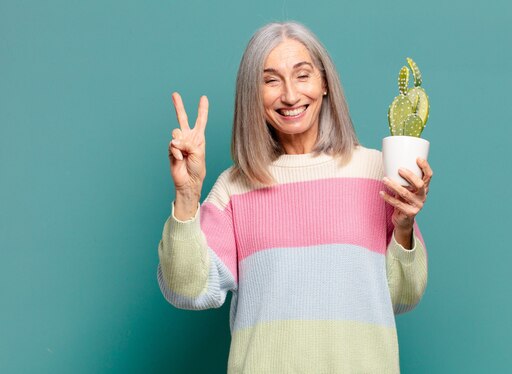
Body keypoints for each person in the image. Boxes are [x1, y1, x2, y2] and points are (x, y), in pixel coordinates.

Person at [157, 21, 433, 373]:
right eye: (270, 80)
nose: (289, 95)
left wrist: (404, 226)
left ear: (325, 84)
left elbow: (403, 295)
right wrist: (186, 195)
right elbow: (186, 290)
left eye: (302, 75)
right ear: (252, 95)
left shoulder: (376, 172)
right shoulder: (235, 188)